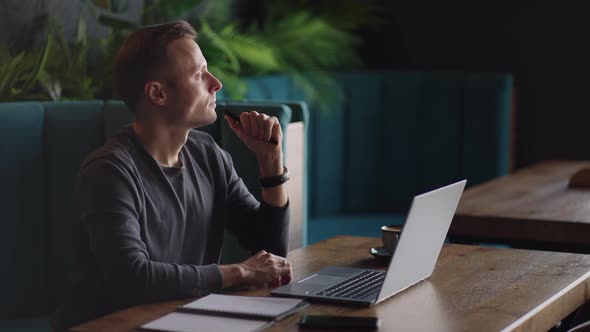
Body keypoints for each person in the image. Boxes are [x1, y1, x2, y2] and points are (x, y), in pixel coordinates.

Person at [52, 20, 292, 331]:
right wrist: (240, 273)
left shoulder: (208, 154)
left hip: (185, 321)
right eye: (198, 74)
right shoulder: (109, 171)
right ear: (157, 93)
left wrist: (270, 161)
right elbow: (132, 277)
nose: (215, 82)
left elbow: (270, 253)